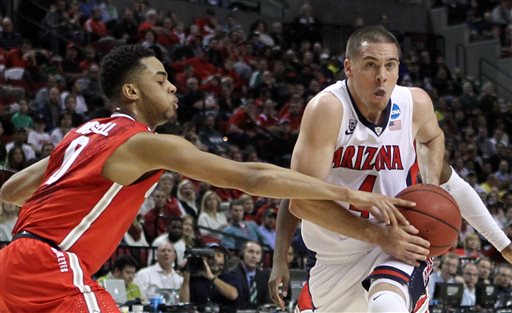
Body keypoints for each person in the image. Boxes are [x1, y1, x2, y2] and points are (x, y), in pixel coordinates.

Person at [0, 44, 412, 313]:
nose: (174, 86)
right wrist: (345, 193)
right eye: (161, 80)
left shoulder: (80, 135)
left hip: (15, 261)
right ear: (131, 92)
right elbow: (251, 176)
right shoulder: (141, 142)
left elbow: (11, 191)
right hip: (53, 266)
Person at [268, 26, 512, 313]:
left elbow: (442, 163)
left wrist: (503, 244)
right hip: (333, 258)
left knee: (386, 306)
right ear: (349, 67)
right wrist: (279, 257)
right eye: (370, 65)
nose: (381, 76)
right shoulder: (328, 109)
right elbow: (299, 196)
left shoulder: (415, 105)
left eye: (390, 65)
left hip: (397, 244)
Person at [181, 242, 239, 313]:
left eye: (218, 255)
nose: (214, 258)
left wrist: (212, 277)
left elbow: (233, 295)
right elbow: (184, 303)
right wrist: (186, 279)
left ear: (225, 260)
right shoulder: (196, 280)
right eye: (210, 256)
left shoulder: (230, 277)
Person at [228, 240, 270, 310]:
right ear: (242, 254)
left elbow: (266, 302)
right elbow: (237, 303)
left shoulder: (264, 276)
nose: (254, 256)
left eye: (258, 253)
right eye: (250, 252)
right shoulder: (232, 274)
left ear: (261, 257)